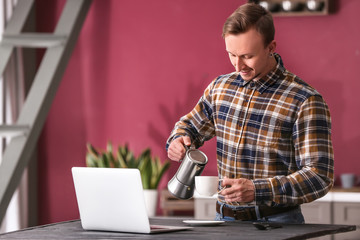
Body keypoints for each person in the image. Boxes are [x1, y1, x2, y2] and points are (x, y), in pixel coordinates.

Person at [166, 3, 334, 223]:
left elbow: (319, 176)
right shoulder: (220, 88)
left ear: (271, 46)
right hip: (222, 220)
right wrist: (178, 140)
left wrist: (258, 190)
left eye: (247, 56)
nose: (238, 66)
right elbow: (189, 126)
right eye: (231, 54)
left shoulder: (305, 100)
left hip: (277, 224)